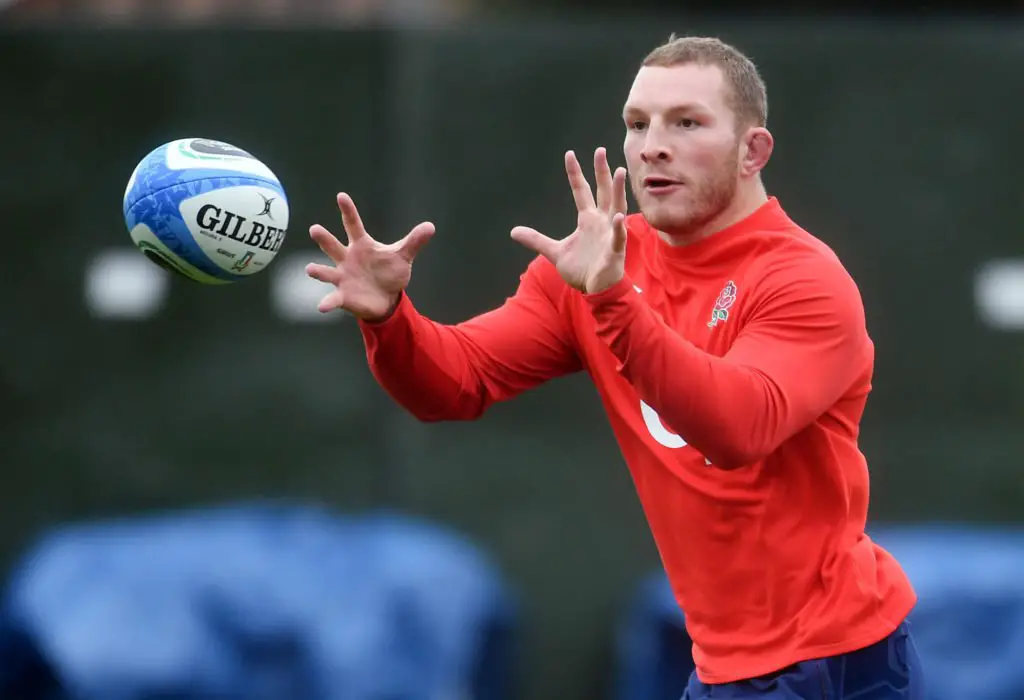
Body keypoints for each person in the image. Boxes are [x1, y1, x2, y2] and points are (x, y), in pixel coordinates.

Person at [305, 34, 924, 699]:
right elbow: (454, 383)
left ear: (753, 151)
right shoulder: (597, 268)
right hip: (731, 667)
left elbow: (738, 428)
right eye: (637, 124)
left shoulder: (802, 278)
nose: (653, 145)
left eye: (687, 123)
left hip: (840, 661)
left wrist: (612, 302)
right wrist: (389, 318)